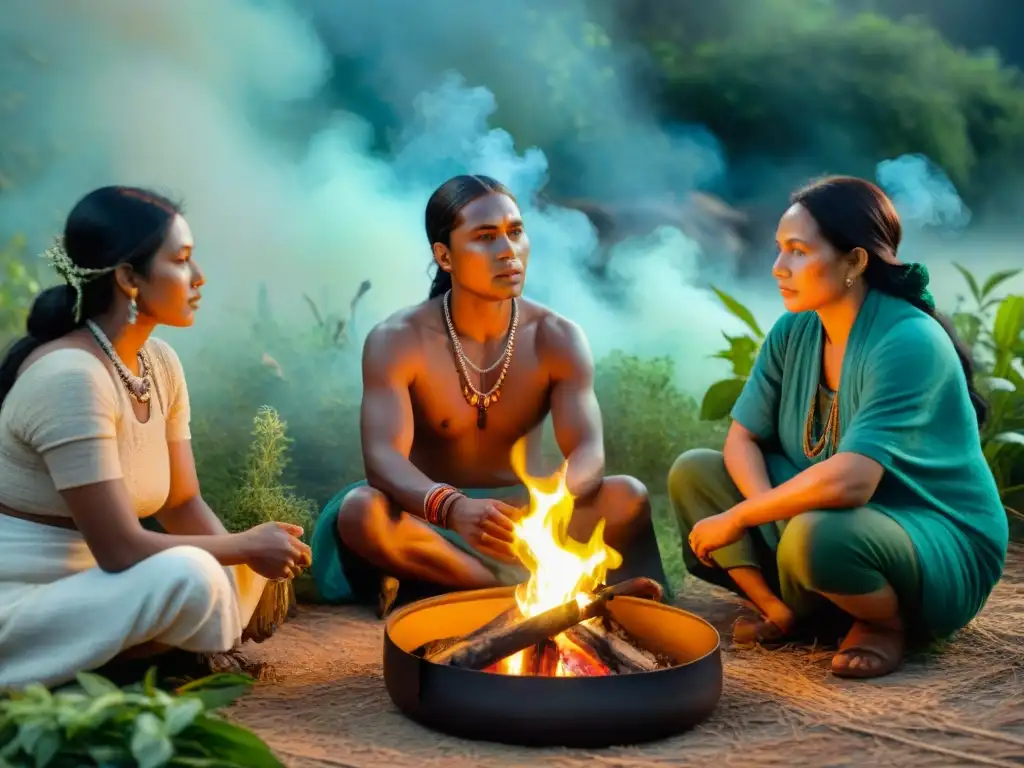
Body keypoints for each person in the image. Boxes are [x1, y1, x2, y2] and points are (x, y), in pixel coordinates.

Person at [668, 176, 1008, 680]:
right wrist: (763, 518)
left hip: (931, 536)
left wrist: (742, 518)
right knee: (695, 472)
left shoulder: (908, 340)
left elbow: (853, 481)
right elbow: (742, 439)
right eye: (779, 249)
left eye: (798, 252)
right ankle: (784, 609)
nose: (778, 268)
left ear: (854, 261)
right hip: (824, 525)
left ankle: (883, 625)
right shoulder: (794, 330)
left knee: (815, 535)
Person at [0, 186, 312, 690]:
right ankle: (113, 665)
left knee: (236, 564)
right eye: (183, 260)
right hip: (27, 598)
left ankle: (143, 652)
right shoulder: (72, 377)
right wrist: (242, 547)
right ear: (128, 277)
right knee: (196, 572)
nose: (199, 277)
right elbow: (120, 550)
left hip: (103, 587)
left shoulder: (158, 362)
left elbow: (183, 500)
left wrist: (251, 554)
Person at [311, 174, 667, 611]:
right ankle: (510, 595)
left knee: (625, 495)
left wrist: (542, 505)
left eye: (515, 232)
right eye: (485, 237)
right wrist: (454, 508)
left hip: (524, 519)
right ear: (444, 255)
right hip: (431, 518)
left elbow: (589, 455)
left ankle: (456, 589)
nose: (508, 252)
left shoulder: (557, 337)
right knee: (361, 510)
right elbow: (383, 459)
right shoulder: (397, 339)